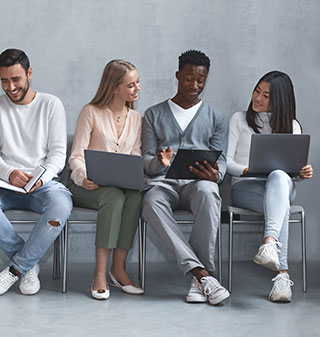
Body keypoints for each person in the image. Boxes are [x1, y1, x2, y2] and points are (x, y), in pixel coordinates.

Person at [0, 48, 72, 297]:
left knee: (62, 204)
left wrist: (41, 177)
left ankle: (14, 271)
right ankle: (28, 264)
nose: (11, 87)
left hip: (42, 184)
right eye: (4, 80)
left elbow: (58, 154)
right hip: (3, 182)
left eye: (16, 79)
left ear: (29, 73)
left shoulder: (51, 104)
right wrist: (9, 172)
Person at [140, 50, 230, 305]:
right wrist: (159, 162)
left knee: (209, 193)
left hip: (197, 183)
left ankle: (197, 281)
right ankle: (202, 275)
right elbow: (145, 160)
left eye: (201, 80)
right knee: (150, 203)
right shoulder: (153, 114)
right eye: (189, 78)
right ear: (178, 75)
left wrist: (217, 174)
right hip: (163, 183)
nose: (194, 85)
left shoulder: (216, 118)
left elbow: (221, 160)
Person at [227, 71, 313, 302]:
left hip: (280, 186)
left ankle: (269, 244)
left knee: (278, 175)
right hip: (246, 187)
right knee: (281, 205)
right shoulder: (239, 119)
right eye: (257, 91)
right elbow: (226, 162)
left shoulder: (292, 126)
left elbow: (291, 173)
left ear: (280, 101)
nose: (258, 98)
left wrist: (302, 172)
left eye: (266, 95)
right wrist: (246, 169)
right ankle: (282, 275)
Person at [68, 60, 144, 300]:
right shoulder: (90, 112)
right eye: (130, 85)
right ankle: (99, 273)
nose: (137, 88)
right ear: (114, 87)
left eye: (137, 82)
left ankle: (118, 269)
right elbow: (76, 156)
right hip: (86, 186)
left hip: (120, 187)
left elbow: (135, 156)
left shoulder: (136, 118)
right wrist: (83, 177)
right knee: (113, 197)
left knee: (134, 197)